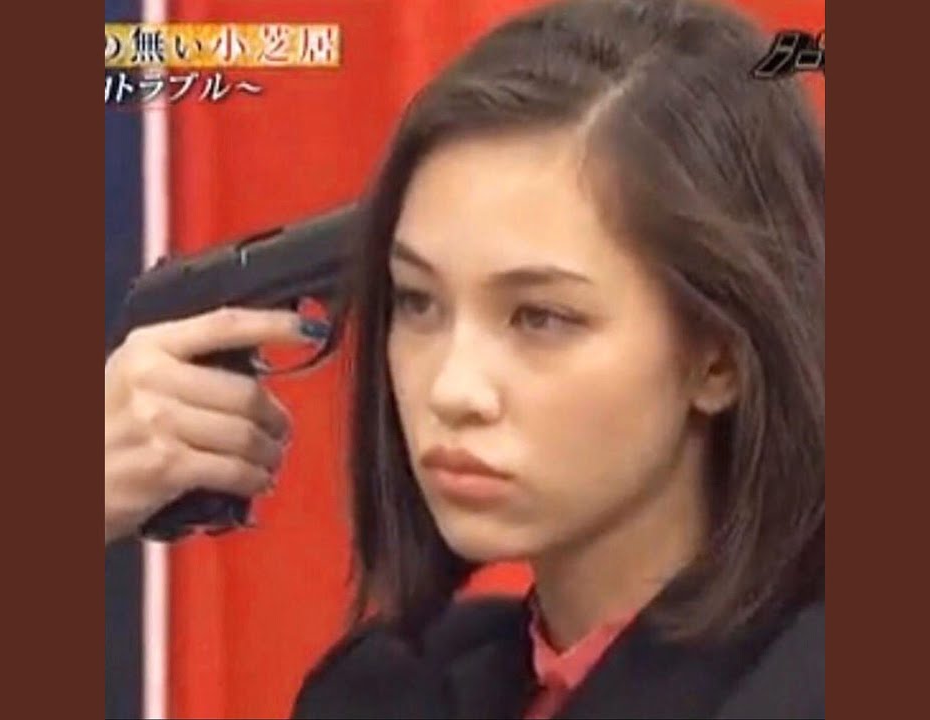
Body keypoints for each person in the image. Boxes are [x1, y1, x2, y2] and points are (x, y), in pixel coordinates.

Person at [104, 0, 825, 716]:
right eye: (418, 301)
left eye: (540, 317)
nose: (452, 389)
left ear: (719, 359)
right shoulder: (384, 692)